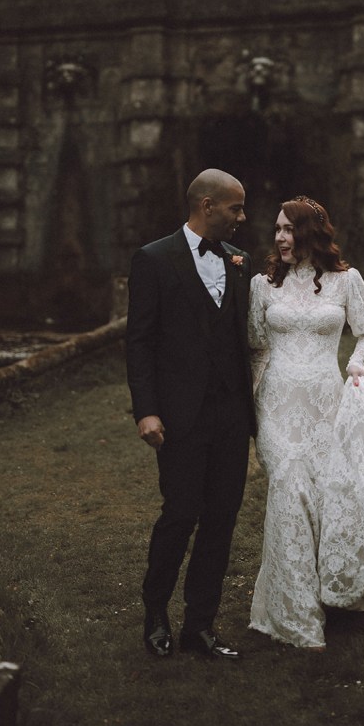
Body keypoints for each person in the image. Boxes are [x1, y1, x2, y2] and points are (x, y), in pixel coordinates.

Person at [248, 196, 364, 649]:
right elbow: (256, 345)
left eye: (288, 229)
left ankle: (336, 591)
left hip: (328, 403)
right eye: (277, 229)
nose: (280, 237)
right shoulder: (262, 286)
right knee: (289, 486)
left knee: (328, 494)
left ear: (309, 233)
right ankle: (295, 612)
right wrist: (252, 408)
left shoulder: (347, 281)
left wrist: (356, 364)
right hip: (277, 405)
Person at [126, 169, 255, 660]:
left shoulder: (238, 262)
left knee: (221, 518)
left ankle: (200, 625)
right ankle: (155, 612)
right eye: (235, 208)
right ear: (207, 206)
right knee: (180, 515)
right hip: (179, 417)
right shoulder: (153, 260)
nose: (242, 217)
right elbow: (139, 344)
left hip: (231, 416)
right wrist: (147, 412)